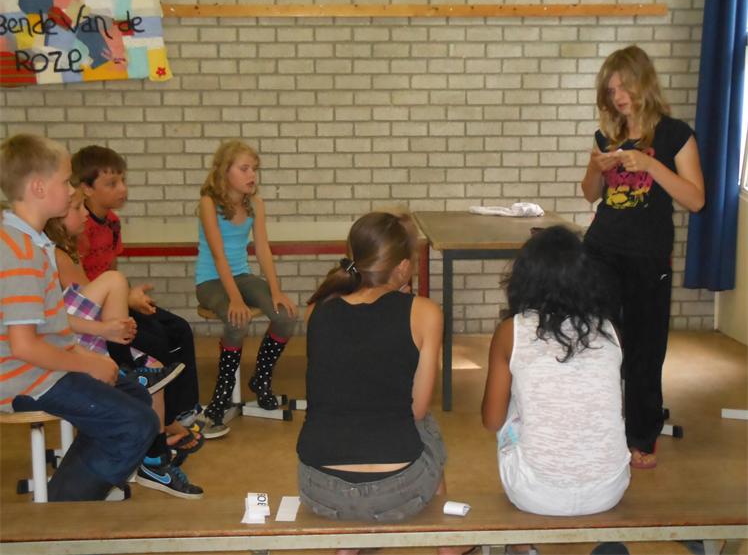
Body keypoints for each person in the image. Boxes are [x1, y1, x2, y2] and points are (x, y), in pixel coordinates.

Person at [296, 212, 472, 555]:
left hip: (319, 490)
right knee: (426, 425)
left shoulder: (317, 309)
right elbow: (417, 408)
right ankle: (447, 548)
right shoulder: (424, 312)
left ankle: (349, 546)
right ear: (403, 268)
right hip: (397, 493)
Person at [0, 133, 159, 501]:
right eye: (65, 181)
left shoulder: (34, 243)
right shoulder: (19, 252)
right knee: (136, 423)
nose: (72, 190)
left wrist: (88, 356)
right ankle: (62, 508)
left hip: (45, 368)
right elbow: (24, 346)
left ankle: (73, 486)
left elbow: (52, 322)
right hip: (24, 379)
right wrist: (87, 363)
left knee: (134, 395)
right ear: (39, 188)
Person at [580, 45, 705, 469]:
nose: (618, 97)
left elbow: (696, 200)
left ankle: (641, 437)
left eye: (624, 87)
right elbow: (590, 194)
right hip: (600, 251)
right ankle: (595, 428)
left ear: (643, 83)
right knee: (595, 344)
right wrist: (597, 167)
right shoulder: (606, 135)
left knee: (644, 352)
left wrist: (650, 167)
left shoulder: (675, 134)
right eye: (611, 90)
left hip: (647, 258)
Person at [44, 188, 204, 498]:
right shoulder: (53, 254)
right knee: (117, 284)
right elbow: (58, 316)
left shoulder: (64, 249)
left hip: (80, 334)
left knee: (154, 369)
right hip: (66, 344)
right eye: (77, 208)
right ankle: (128, 366)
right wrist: (107, 327)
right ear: (57, 219)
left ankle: (155, 460)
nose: (85, 214)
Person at [482, 225, 630, 518]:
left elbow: (491, 421)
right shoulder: (609, 330)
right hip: (608, 490)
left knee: (516, 399)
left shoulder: (511, 331)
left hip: (535, 493)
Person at [72, 145, 204, 438]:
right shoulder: (79, 226)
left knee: (179, 329)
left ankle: (185, 409)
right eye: (111, 183)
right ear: (87, 189)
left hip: (116, 300)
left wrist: (132, 296)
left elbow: (113, 268)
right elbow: (83, 292)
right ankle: (161, 419)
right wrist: (126, 298)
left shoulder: (112, 222)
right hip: (94, 313)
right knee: (155, 339)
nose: (122, 189)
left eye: (123, 180)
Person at [195, 140, 297, 437]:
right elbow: (218, 256)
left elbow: (262, 249)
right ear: (224, 172)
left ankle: (261, 379)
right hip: (211, 280)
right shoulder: (208, 203)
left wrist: (275, 291)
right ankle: (222, 394)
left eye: (254, 169)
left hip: (241, 275)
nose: (252, 175)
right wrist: (235, 299)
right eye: (244, 169)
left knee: (285, 315)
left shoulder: (255, 204)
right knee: (236, 318)